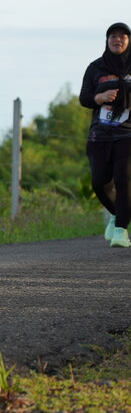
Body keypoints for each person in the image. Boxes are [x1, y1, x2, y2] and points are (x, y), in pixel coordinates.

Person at [79, 22, 131, 248]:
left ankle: (121, 231)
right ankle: (117, 214)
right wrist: (99, 98)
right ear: (107, 40)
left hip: (128, 134)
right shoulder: (95, 68)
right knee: (99, 183)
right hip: (100, 135)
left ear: (129, 41)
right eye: (113, 36)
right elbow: (84, 98)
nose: (117, 39)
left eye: (122, 36)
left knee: (123, 179)